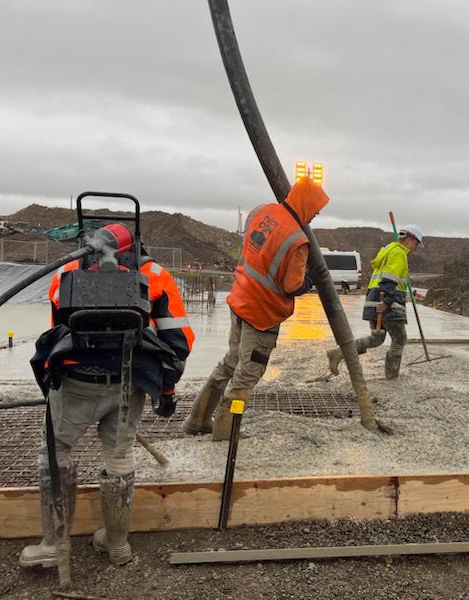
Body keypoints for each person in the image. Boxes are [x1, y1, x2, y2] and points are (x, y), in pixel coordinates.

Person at [20, 244, 193, 568]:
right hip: (130, 384)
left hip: (77, 385)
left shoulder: (68, 271)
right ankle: (117, 543)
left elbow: (58, 330)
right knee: (119, 454)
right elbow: (180, 341)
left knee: (56, 452)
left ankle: (54, 544)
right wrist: (166, 389)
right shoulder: (156, 274)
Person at [182, 177, 328, 440]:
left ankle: (197, 420)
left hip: (240, 299)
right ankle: (225, 433)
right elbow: (292, 285)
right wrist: (309, 281)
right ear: (306, 204)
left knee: (230, 363)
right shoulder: (297, 241)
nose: (316, 215)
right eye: (316, 209)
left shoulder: (261, 211)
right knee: (246, 376)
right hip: (262, 315)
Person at [326, 224, 423, 380]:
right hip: (387, 301)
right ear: (411, 240)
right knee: (399, 338)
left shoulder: (388, 250)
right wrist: (388, 302)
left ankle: (338, 353)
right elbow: (389, 279)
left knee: (377, 338)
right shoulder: (399, 253)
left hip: (374, 299)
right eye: (417, 244)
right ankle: (392, 377)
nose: (415, 249)